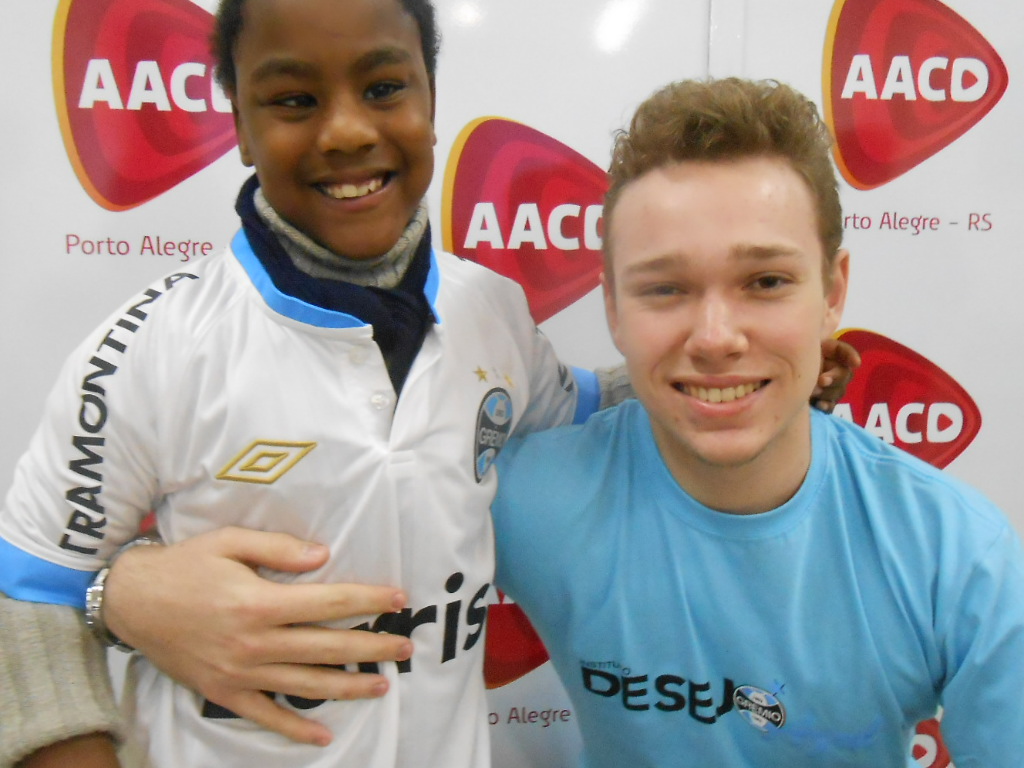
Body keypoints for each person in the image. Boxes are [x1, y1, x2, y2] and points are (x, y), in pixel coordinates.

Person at [0, 4, 856, 765]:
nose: (345, 132)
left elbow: (585, 419)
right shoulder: (148, 348)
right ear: (239, 123)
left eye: (383, 88)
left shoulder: (492, 309)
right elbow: (25, 593)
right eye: (294, 99)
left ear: (432, 101)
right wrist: (120, 593)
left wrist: (762, 379)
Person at [489, 77, 1024, 766]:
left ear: (832, 294)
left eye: (765, 282)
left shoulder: (957, 555)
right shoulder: (518, 500)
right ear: (615, 311)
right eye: (666, 288)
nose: (716, 337)